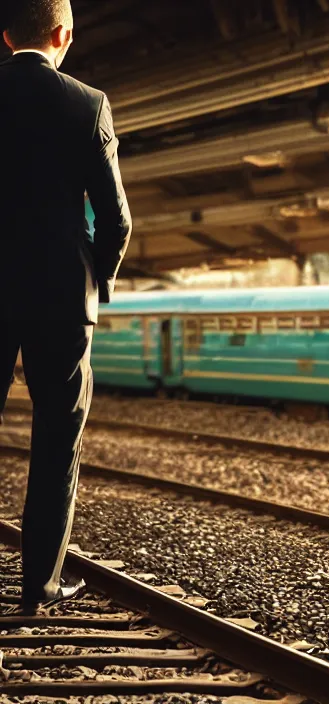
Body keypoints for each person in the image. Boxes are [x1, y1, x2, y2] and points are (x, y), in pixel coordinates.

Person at [0, 0, 132, 612]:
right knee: (57, 440)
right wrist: (91, 280)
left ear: (5, 36)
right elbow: (117, 220)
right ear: (64, 34)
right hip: (60, 299)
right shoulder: (87, 103)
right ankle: (39, 587)